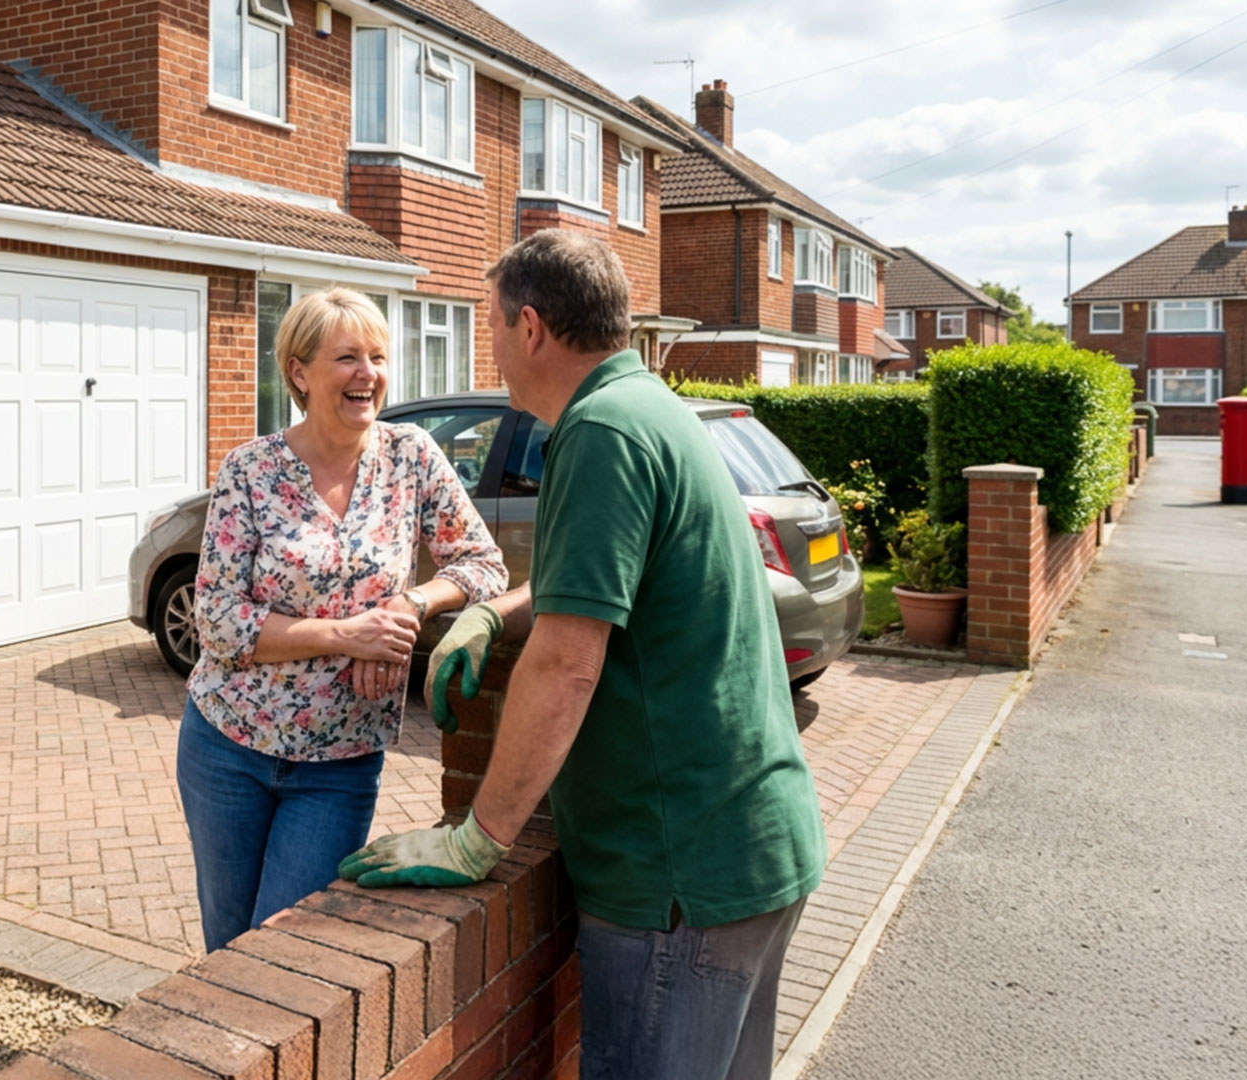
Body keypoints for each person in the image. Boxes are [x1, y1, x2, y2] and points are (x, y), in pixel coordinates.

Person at [338, 231, 826, 1080]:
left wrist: (476, 840)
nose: (491, 347)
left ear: (531, 328)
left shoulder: (599, 431)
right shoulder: (647, 406)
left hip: (677, 881)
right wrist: (497, 611)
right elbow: (611, 580)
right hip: (750, 850)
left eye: (490, 326)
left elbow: (567, 664)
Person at [182, 287, 507, 953]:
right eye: (348, 357)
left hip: (340, 761)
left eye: (379, 357)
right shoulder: (250, 470)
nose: (369, 374)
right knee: (225, 948)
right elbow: (217, 621)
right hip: (226, 747)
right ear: (299, 371)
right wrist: (345, 635)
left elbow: (482, 565)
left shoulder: (411, 457)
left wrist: (406, 605)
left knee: (284, 949)